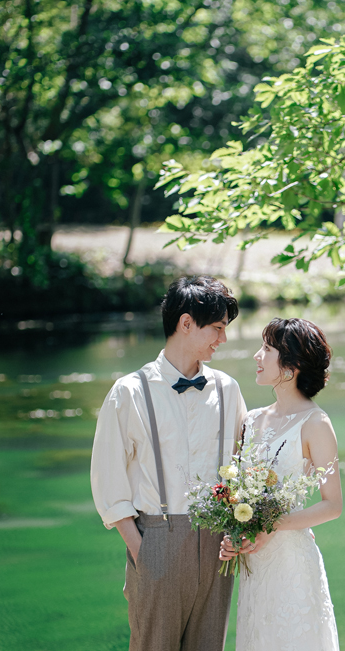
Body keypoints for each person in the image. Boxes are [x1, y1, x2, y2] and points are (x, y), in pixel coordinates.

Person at [91, 276, 248, 651]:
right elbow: (108, 479)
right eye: (218, 328)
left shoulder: (228, 389)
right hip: (156, 539)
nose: (223, 339)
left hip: (217, 545)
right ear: (186, 323)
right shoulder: (130, 391)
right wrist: (143, 552)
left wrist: (236, 530)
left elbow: (243, 467)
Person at [220, 317, 342, 651]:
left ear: (291, 366)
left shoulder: (316, 423)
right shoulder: (251, 420)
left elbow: (332, 505)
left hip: (291, 563)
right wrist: (235, 536)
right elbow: (237, 491)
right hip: (254, 563)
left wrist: (272, 525)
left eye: (267, 349)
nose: (257, 356)